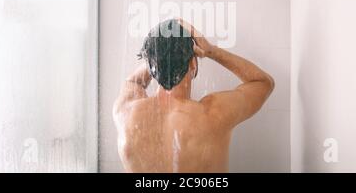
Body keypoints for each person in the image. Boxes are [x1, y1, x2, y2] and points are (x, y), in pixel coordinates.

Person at [113, 18, 274, 172]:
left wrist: (159, 57)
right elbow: (263, 83)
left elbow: (133, 82)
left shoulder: (126, 112)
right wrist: (211, 51)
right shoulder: (213, 114)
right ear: (193, 63)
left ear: (151, 65)